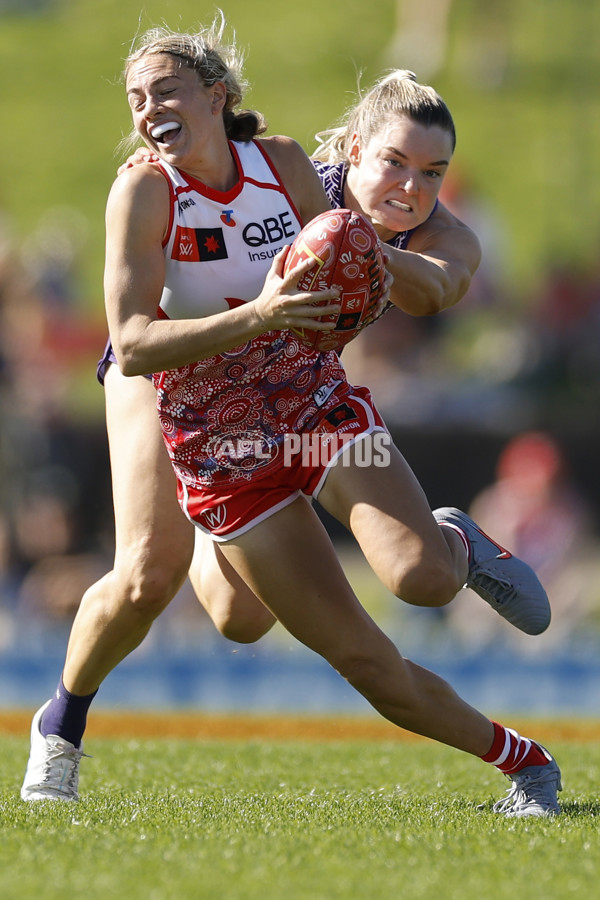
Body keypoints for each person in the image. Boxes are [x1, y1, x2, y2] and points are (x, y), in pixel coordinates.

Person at [22, 18, 560, 817]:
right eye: (394, 163)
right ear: (350, 149)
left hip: (304, 397)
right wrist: (274, 308)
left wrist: (371, 259)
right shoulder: (202, 182)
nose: (411, 186)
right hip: (189, 397)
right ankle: (60, 727)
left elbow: (438, 285)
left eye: (433, 171)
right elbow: (135, 347)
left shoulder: (404, 216)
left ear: (215, 96)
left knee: (418, 579)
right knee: (171, 586)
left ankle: (455, 545)